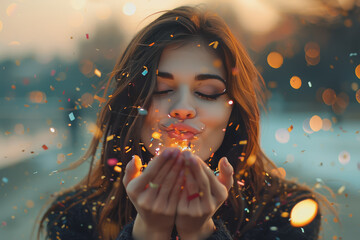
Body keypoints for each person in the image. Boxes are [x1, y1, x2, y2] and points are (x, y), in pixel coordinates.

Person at [36, 5, 334, 240]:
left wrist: (202, 233)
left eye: (207, 93)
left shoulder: (285, 210)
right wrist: (148, 232)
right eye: (161, 90)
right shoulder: (74, 216)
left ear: (234, 111)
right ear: (132, 101)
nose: (182, 110)